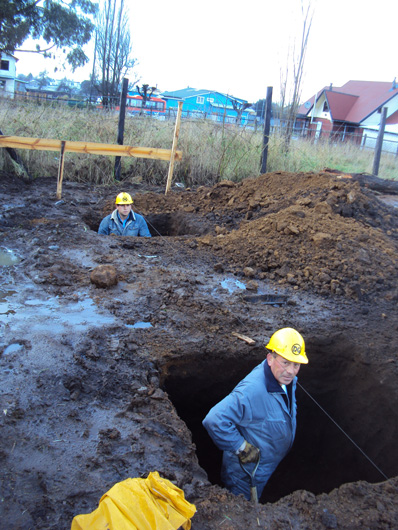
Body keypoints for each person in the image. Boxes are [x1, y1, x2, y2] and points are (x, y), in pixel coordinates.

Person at [202, 327, 308, 501]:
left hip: (267, 463)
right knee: (244, 510)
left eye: (296, 364)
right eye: (285, 362)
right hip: (247, 472)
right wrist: (242, 447)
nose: (291, 370)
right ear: (270, 358)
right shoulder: (253, 391)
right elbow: (215, 419)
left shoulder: (287, 379)